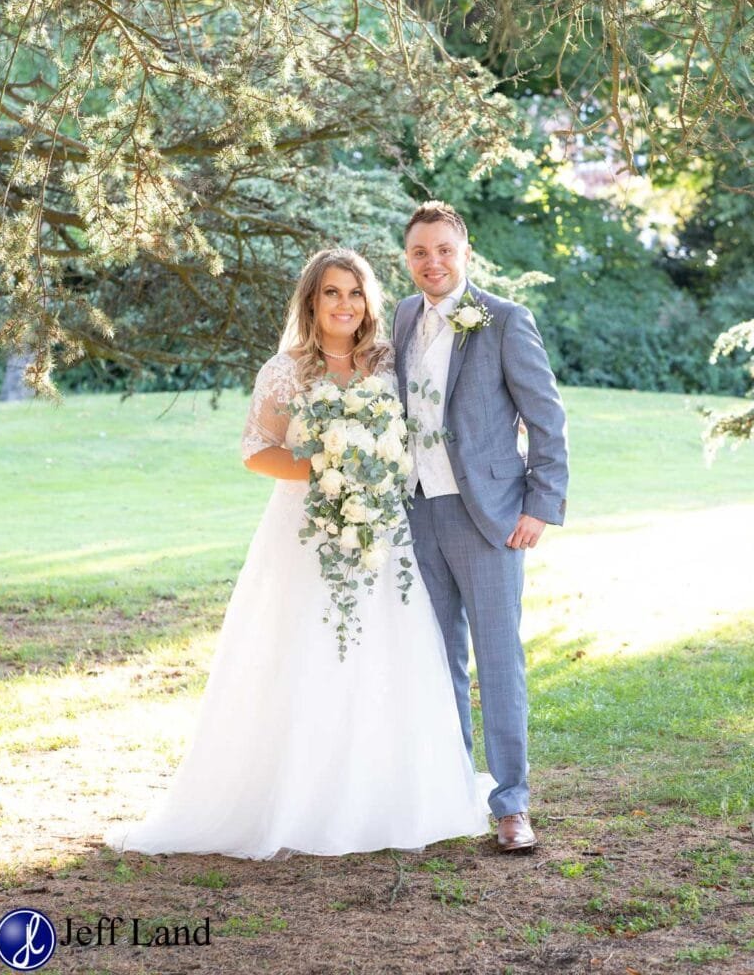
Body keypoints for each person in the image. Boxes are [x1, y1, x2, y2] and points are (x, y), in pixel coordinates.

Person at [103, 248, 490, 860]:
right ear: (311, 301)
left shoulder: (387, 362)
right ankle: (297, 797)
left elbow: (427, 424)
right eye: (331, 293)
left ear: (369, 301)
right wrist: (325, 465)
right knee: (305, 650)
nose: (344, 304)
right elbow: (256, 450)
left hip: (381, 537)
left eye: (355, 293)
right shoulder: (285, 370)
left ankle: (383, 793)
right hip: (305, 533)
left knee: (384, 650)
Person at [393, 202, 569, 851]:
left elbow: (547, 418)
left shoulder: (504, 320)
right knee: (435, 662)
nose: (432, 262)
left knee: (497, 662)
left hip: (489, 517)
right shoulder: (404, 317)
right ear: (407, 259)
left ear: (465, 251)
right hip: (418, 513)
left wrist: (539, 504)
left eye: (443, 249)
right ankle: (451, 792)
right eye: (419, 252)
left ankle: (511, 804)